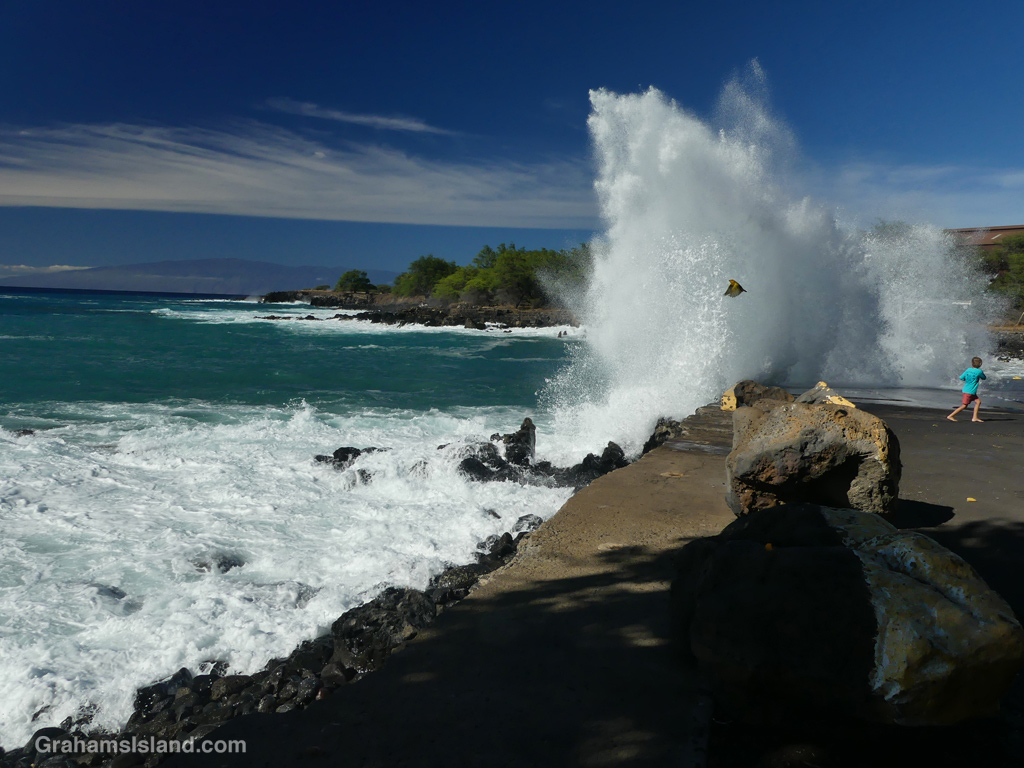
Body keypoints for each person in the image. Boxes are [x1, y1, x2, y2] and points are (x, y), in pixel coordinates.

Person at [947, 357, 986, 422]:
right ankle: (950, 416)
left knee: (978, 402)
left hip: (968, 390)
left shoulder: (968, 370)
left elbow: (961, 378)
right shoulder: (979, 371)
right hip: (970, 391)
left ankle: (975, 417)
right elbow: (984, 378)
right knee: (964, 405)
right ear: (980, 364)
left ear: (972, 363)